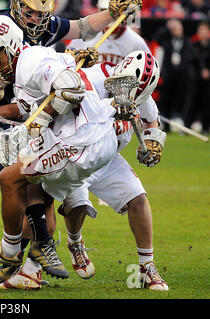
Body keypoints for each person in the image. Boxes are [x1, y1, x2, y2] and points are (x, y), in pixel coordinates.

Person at [0, 0, 142, 284]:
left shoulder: (26, 57)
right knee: (38, 188)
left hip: (78, 141)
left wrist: (39, 120)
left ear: (9, 48)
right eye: (30, 13)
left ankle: (18, 250)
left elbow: (68, 88)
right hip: (93, 140)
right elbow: (34, 96)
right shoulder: (13, 42)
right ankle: (29, 268)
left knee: (14, 181)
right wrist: (71, 57)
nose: (36, 20)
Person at [54, 50, 169, 291]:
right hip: (80, 154)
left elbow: (151, 121)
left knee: (138, 198)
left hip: (108, 158)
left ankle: (147, 266)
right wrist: (113, 106)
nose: (131, 96)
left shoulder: (142, 94)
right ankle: (74, 242)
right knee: (79, 205)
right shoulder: (94, 77)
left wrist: (151, 143)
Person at [67, 0, 152, 65]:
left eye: (116, 13)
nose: (110, 17)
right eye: (105, 11)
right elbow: (67, 60)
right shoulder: (85, 34)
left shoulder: (136, 42)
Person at [154, 18, 195, 132]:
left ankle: (182, 122)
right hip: (169, 76)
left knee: (180, 100)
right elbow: (157, 38)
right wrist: (168, 28)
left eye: (177, 28)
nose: (176, 31)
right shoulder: (166, 41)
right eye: (174, 29)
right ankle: (166, 125)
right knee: (166, 100)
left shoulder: (187, 41)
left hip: (182, 76)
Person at [187, 21, 209, 134]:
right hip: (195, 81)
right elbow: (190, 62)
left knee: (207, 104)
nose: (203, 33)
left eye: (205, 30)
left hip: (207, 83)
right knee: (192, 103)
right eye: (201, 30)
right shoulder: (193, 45)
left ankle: (206, 127)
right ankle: (187, 127)